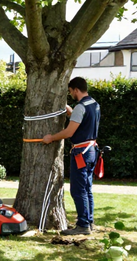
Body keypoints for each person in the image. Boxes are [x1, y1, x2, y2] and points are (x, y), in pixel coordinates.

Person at [42, 77, 100, 236]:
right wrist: (71, 113)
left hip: (81, 152)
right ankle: (89, 221)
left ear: (75, 89)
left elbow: (69, 132)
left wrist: (51, 138)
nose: (71, 94)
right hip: (92, 151)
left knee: (78, 190)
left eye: (70, 91)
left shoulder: (81, 107)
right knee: (87, 189)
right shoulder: (94, 104)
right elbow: (84, 123)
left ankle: (82, 225)